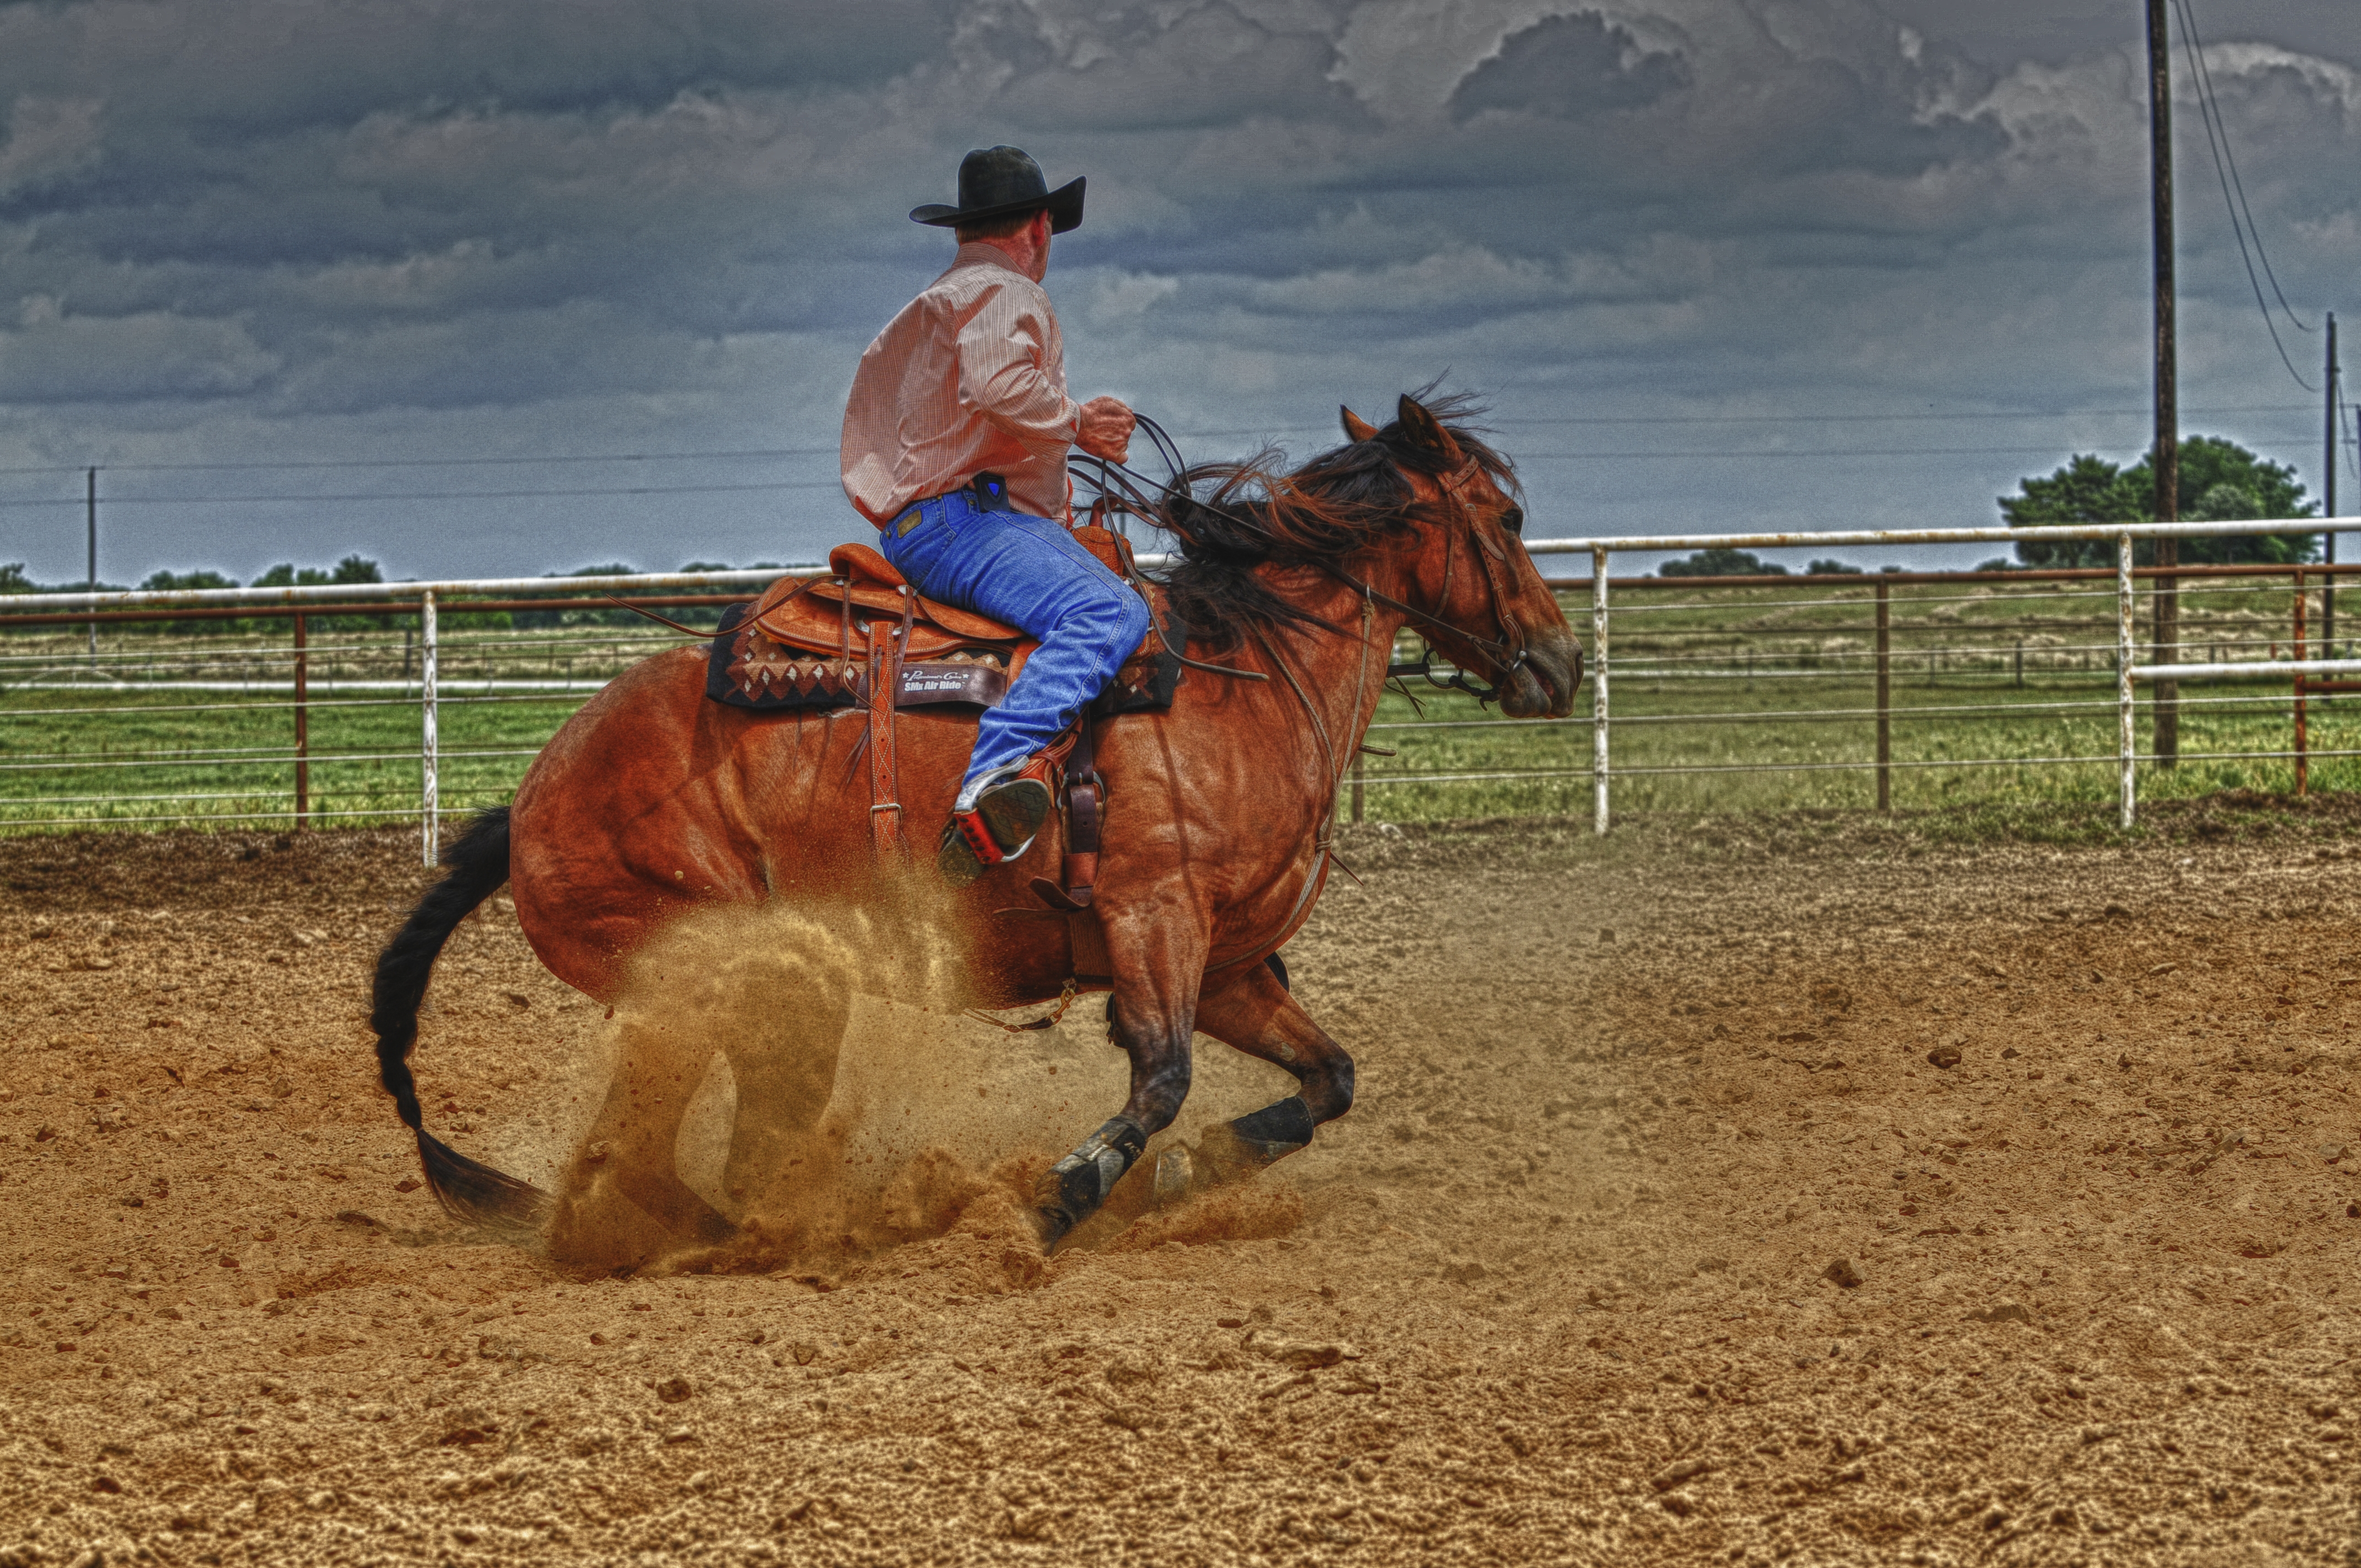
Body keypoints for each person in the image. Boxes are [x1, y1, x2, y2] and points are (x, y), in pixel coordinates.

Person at [841, 146, 1147, 886]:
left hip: (931, 522)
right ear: (1039, 229)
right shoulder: (1009, 291)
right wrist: (1077, 422)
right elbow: (998, 381)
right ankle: (990, 781)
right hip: (969, 523)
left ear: (963, 228)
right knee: (1108, 616)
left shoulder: (925, 310)